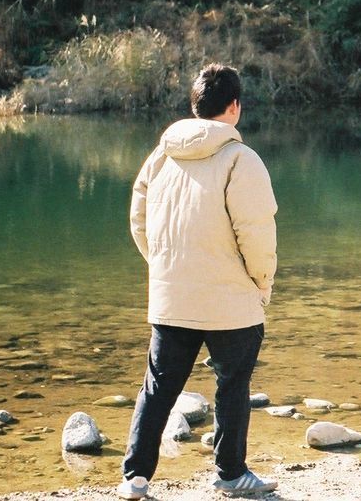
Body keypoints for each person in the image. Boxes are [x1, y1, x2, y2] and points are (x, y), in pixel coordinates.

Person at [118, 64, 279, 498]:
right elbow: (257, 234)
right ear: (235, 107)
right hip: (231, 300)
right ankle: (230, 474)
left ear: (194, 107)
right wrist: (261, 282)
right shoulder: (241, 160)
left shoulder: (160, 157)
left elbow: (139, 220)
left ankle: (135, 477)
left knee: (158, 386)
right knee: (232, 385)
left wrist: (165, 266)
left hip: (172, 295)